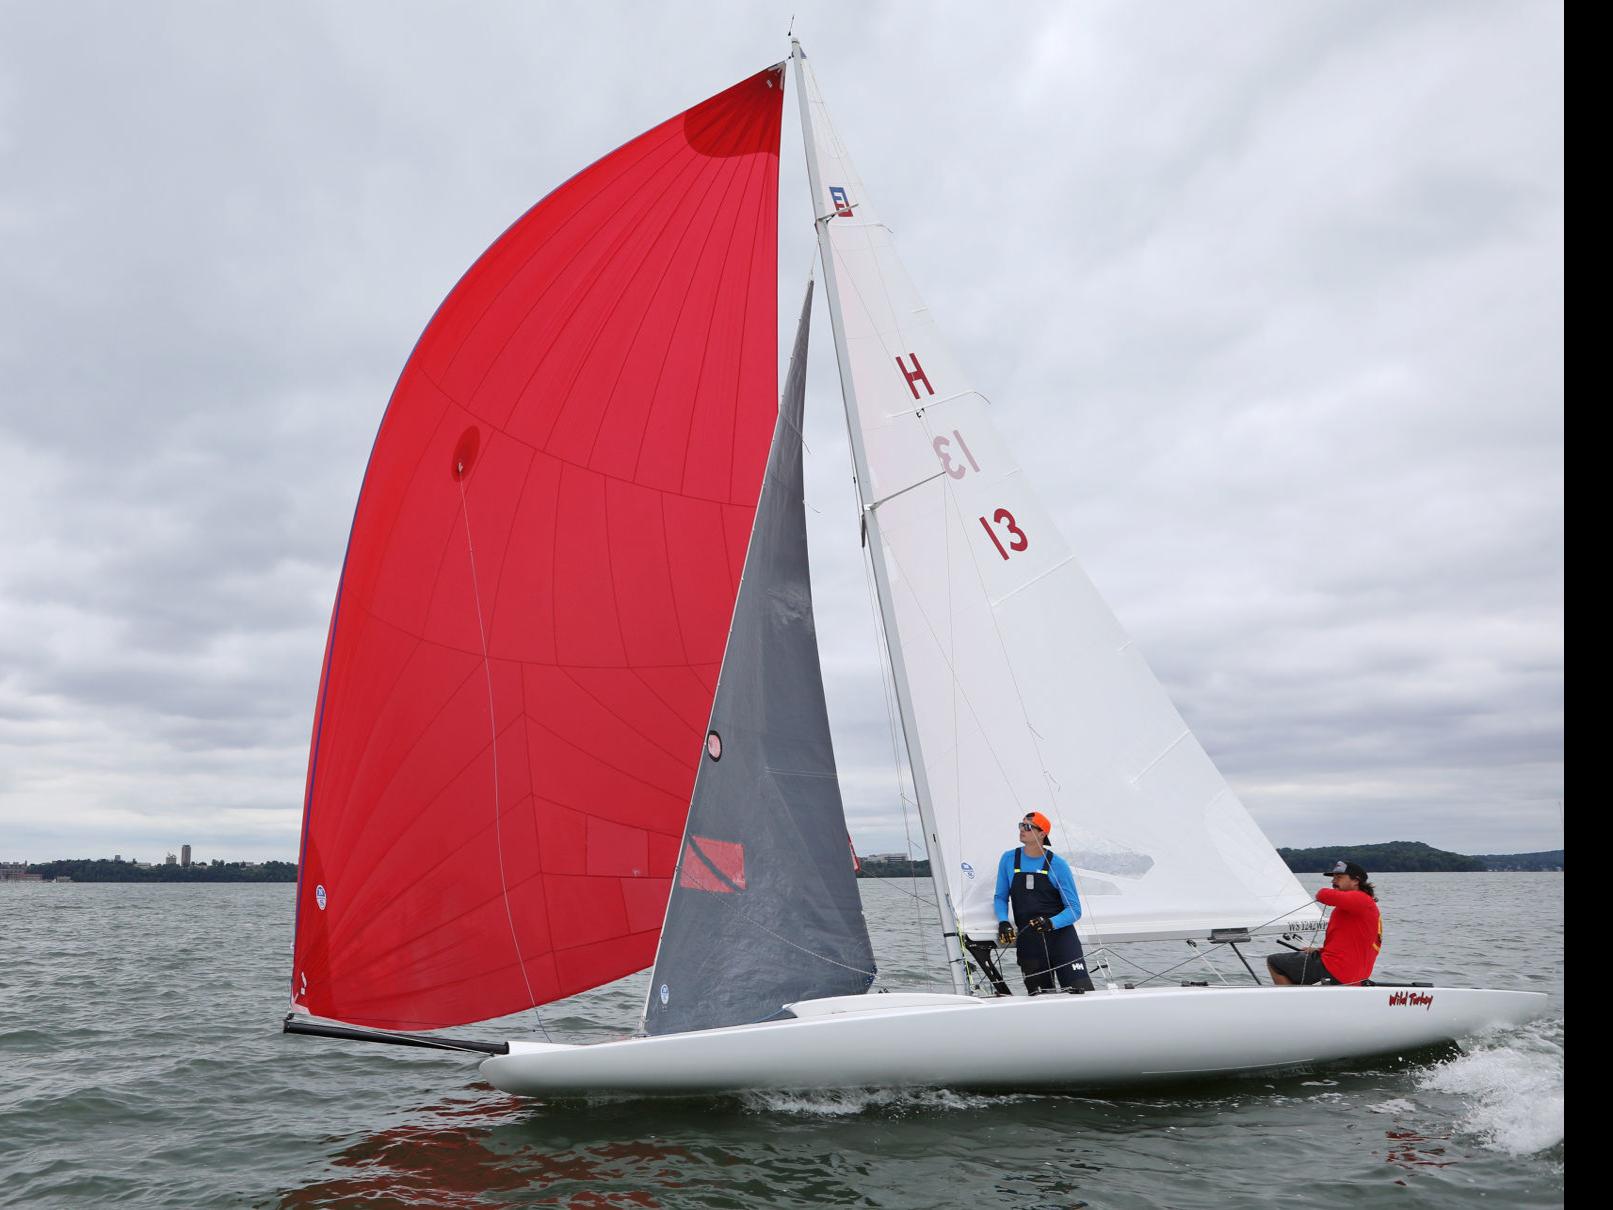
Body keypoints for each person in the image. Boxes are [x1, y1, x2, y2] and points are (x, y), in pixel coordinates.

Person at [993, 811, 1096, 993]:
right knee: (1040, 997)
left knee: (1081, 993)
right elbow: (1000, 897)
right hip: (1030, 942)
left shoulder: (1058, 864)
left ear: (1042, 834)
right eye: (1020, 825)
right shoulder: (1008, 859)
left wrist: (1050, 923)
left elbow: (1074, 909)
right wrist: (1003, 922)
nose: (1022, 829)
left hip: (1062, 940)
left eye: (1027, 826)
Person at [1266, 859, 1382, 986]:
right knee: (1295, 970)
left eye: (1339, 877)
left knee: (1274, 962)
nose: (1333, 881)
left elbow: (1323, 895)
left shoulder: (1361, 899)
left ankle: (1292, 1002)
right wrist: (1320, 951)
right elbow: (1350, 943)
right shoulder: (1362, 905)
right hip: (1354, 975)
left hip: (1336, 969)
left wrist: (1322, 892)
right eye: (1333, 878)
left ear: (1355, 881)